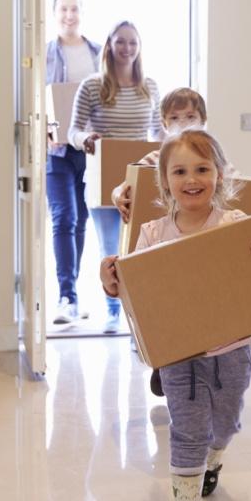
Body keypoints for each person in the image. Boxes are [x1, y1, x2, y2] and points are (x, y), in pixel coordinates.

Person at [99, 129, 251, 501]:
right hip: (179, 357)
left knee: (225, 424)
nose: (191, 179)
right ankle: (186, 492)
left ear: (219, 175)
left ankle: (214, 459)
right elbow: (135, 294)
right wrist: (111, 281)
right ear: (165, 182)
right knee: (187, 429)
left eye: (202, 169)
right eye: (179, 172)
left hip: (232, 350)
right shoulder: (152, 233)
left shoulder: (235, 223)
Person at [68, 20, 162, 334]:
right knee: (111, 249)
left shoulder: (149, 86)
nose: (126, 48)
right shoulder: (93, 86)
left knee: (143, 250)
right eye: (120, 42)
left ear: (139, 47)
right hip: (104, 179)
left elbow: (159, 133)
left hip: (142, 182)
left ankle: (139, 320)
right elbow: (73, 130)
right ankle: (112, 311)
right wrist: (85, 140)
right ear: (109, 45)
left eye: (132, 42)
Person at [45, 0, 101, 324]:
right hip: (57, 150)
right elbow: (34, 93)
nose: (69, 15)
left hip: (90, 149)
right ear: (55, 14)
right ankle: (66, 295)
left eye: (74, 9)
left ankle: (73, 292)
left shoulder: (96, 53)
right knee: (62, 217)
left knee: (81, 219)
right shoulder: (46, 53)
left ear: (82, 12)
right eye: (64, 9)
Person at [111, 87, 208, 223]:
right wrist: (117, 196)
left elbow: (238, 183)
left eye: (190, 117)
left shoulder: (212, 157)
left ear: (203, 120)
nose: (182, 123)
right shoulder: (156, 158)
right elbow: (124, 186)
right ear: (164, 124)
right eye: (174, 118)